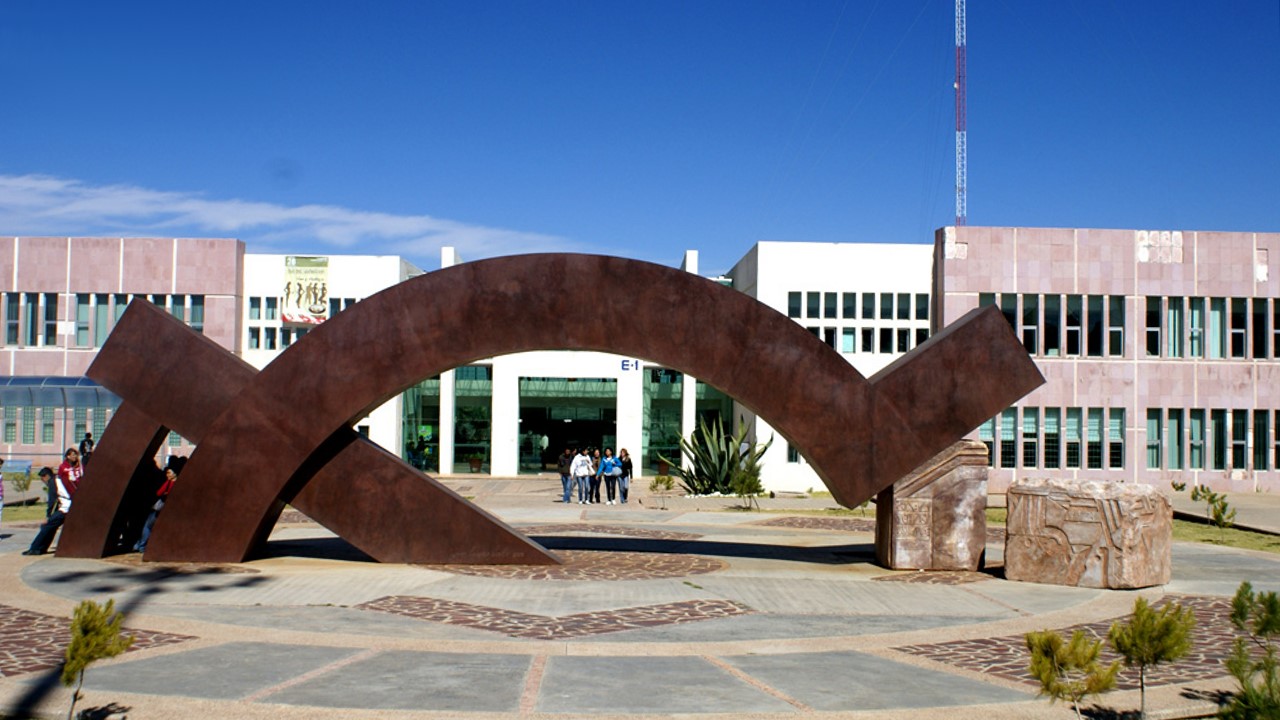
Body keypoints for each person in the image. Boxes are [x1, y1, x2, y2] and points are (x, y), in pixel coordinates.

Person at [23, 448, 84, 556]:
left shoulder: (53, 482)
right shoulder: (59, 478)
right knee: (51, 526)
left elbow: (52, 500)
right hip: (67, 507)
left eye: (42, 479)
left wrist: (48, 515)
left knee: (47, 526)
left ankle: (35, 548)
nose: (43, 482)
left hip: (66, 508)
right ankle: (41, 548)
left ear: (45, 476)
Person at [134, 464, 179, 553]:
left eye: (169, 473)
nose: (167, 475)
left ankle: (141, 546)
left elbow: (159, 493)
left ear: (174, 474)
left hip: (160, 509)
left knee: (148, 526)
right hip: (170, 511)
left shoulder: (169, 483)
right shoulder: (175, 482)